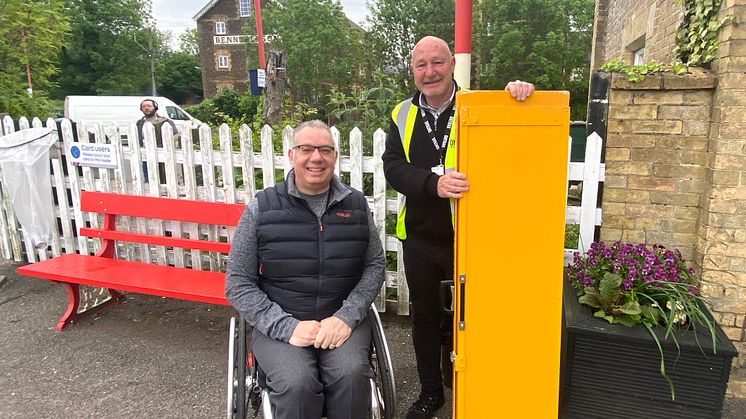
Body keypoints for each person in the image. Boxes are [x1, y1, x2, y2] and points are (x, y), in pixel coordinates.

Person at [382, 35, 535, 419]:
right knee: (425, 317)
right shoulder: (401, 114)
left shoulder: (479, 106)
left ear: (452, 65)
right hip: (418, 237)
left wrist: (519, 93)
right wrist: (433, 184)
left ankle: (467, 383)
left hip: (470, 237)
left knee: (468, 317)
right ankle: (431, 393)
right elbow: (393, 168)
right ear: (413, 71)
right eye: (421, 65)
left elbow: (515, 133)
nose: (429, 72)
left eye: (437, 63)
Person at [225, 120, 386, 419]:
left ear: (335, 156)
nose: (316, 157)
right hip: (281, 321)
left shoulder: (356, 205)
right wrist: (287, 327)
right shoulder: (263, 207)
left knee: (352, 377)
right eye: (306, 149)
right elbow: (238, 283)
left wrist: (346, 317)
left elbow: (374, 265)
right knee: (296, 383)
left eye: (325, 149)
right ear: (291, 155)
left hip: (341, 322)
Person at [135, 99, 180, 181]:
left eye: (149, 106)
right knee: (149, 180)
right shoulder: (139, 123)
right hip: (146, 156)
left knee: (165, 179)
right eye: (143, 106)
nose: (146, 108)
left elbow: (175, 135)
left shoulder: (165, 121)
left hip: (163, 155)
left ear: (155, 107)